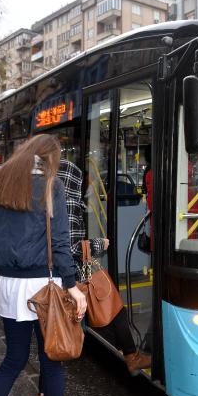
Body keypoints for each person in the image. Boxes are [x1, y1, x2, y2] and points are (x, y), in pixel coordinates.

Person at [0, 134, 86, 396]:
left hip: (8, 284)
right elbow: (61, 242)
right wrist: (73, 287)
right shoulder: (52, 185)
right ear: (50, 158)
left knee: (14, 359)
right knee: (51, 362)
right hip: (43, 286)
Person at [57, 159, 150, 374]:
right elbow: (69, 246)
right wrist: (99, 244)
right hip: (71, 273)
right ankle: (131, 356)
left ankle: (130, 355)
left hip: (65, 272)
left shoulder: (53, 201)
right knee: (113, 306)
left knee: (108, 308)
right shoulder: (69, 203)